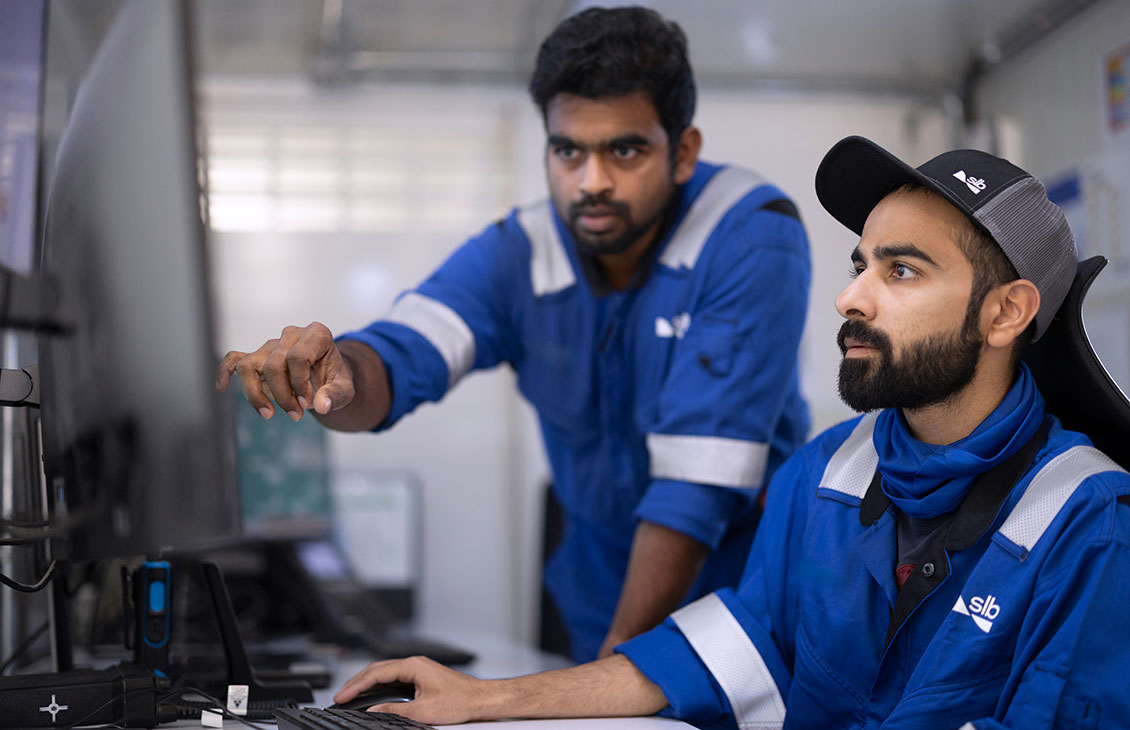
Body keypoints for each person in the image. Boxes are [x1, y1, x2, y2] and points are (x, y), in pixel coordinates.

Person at [329, 137, 1130, 729]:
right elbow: (716, 653)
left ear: (1005, 313)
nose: (853, 297)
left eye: (902, 271)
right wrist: (483, 701)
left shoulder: (1091, 523)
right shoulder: (824, 475)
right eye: (860, 264)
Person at [216, 7, 811, 663]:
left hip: (744, 616)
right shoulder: (518, 251)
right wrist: (343, 376)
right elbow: (402, 353)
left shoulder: (751, 233)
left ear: (683, 152)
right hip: (598, 605)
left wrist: (606, 684)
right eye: (568, 151)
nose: (592, 182)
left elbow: (695, 490)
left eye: (625, 149)